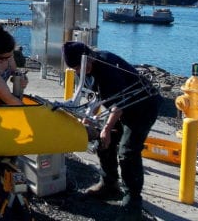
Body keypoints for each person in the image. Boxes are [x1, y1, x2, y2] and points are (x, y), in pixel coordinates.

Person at [62, 41, 162, 221]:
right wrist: (87, 119)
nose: (79, 71)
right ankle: (109, 184)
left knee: (128, 151)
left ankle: (133, 201)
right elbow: (93, 97)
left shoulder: (107, 66)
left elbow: (120, 103)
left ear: (88, 58)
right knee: (102, 142)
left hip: (142, 106)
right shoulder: (82, 70)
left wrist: (107, 128)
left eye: (79, 67)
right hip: (119, 107)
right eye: (75, 69)